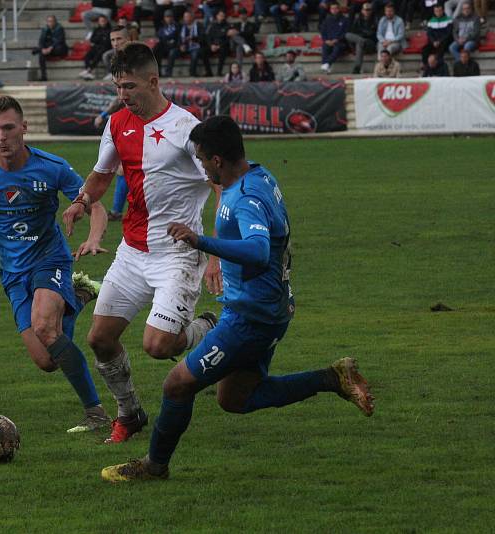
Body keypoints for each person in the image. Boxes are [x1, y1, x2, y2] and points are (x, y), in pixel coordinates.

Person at [100, 115, 375, 482]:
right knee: (235, 399)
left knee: (177, 384)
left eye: (200, 158)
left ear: (216, 160)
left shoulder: (245, 198)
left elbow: (259, 251)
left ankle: (154, 466)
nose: (198, 164)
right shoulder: (259, 175)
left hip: (250, 317)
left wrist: (201, 242)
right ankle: (332, 378)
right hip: (269, 310)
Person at [61, 43, 221, 444]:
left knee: (159, 345)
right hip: (132, 252)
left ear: (153, 81)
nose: (122, 95)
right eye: (117, 87)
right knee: (99, 338)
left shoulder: (186, 128)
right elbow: (101, 175)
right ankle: (129, 413)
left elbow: (220, 185)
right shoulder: (117, 124)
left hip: (178, 255)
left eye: (129, 86)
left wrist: (216, 250)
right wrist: (82, 201)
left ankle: (209, 327)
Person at [0, 95, 112, 433]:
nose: (1, 136)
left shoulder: (50, 167)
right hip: (13, 271)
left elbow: (94, 204)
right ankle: (78, 298)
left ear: (24, 127)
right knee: (46, 360)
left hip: (50, 258)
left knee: (43, 326)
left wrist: (94, 237)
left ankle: (96, 413)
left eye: (8, 127)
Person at [174, 10, 212, 77]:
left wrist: (193, 38)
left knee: (194, 54)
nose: (186, 18)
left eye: (187, 17)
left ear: (192, 17)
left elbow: (203, 39)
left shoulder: (199, 25)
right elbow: (178, 39)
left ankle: (192, 74)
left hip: (197, 47)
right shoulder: (181, 27)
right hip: (185, 47)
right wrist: (180, 46)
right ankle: (168, 73)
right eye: (185, 17)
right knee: (172, 52)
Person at [346, 2, 378, 74]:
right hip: (360, 40)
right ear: (362, 10)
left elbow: (374, 34)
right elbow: (353, 32)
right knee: (347, 35)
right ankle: (357, 67)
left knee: (359, 43)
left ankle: (357, 67)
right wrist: (362, 36)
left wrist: (363, 35)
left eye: (369, 10)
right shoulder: (358, 19)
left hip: (370, 43)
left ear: (371, 10)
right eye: (365, 9)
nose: (367, 11)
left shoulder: (375, 19)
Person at [35, 15, 69, 82]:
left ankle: (37, 50)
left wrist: (50, 48)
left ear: (55, 22)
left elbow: (59, 40)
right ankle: (44, 76)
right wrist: (43, 49)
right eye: (48, 21)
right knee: (41, 54)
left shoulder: (60, 28)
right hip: (48, 49)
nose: (50, 23)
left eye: (51, 21)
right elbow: (41, 41)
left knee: (57, 46)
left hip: (59, 49)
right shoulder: (45, 29)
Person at [80, 15, 113, 80]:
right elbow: (92, 39)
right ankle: (88, 71)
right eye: (101, 21)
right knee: (87, 56)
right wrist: (101, 38)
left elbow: (107, 42)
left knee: (99, 54)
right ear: (98, 22)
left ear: (106, 21)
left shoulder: (110, 30)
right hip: (97, 47)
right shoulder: (96, 29)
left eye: (103, 21)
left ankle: (89, 70)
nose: (102, 22)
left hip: (106, 48)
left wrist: (99, 39)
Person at [320, 2, 349, 73]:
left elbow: (346, 32)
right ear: (330, 10)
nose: (334, 10)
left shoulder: (344, 19)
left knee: (337, 48)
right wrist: (326, 40)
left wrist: (337, 39)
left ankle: (326, 63)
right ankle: (327, 66)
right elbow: (323, 31)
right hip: (329, 41)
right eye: (332, 8)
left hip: (340, 42)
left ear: (339, 9)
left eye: (336, 8)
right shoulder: (327, 20)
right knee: (325, 46)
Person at [155, 9, 180, 77]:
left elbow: (178, 38)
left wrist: (166, 38)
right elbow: (159, 37)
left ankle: (168, 72)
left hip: (175, 47)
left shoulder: (177, 27)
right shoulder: (162, 27)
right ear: (164, 18)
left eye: (170, 16)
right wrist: (168, 38)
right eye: (167, 17)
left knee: (172, 52)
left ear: (173, 17)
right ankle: (158, 72)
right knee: (157, 51)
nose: (169, 18)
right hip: (165, 47)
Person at [206, 10, 230, 77]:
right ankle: (209, 72)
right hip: (213, 45)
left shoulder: (227, 25)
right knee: (203, 52)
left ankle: (219, 72)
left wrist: (219, 46)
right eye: (220, 15)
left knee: (223, 51)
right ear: (217, 16)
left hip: (223, 46)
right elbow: (208, 37)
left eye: (223, 16)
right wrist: (211, 45)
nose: (222, 17)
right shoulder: (212, 25)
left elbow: (227, 39)